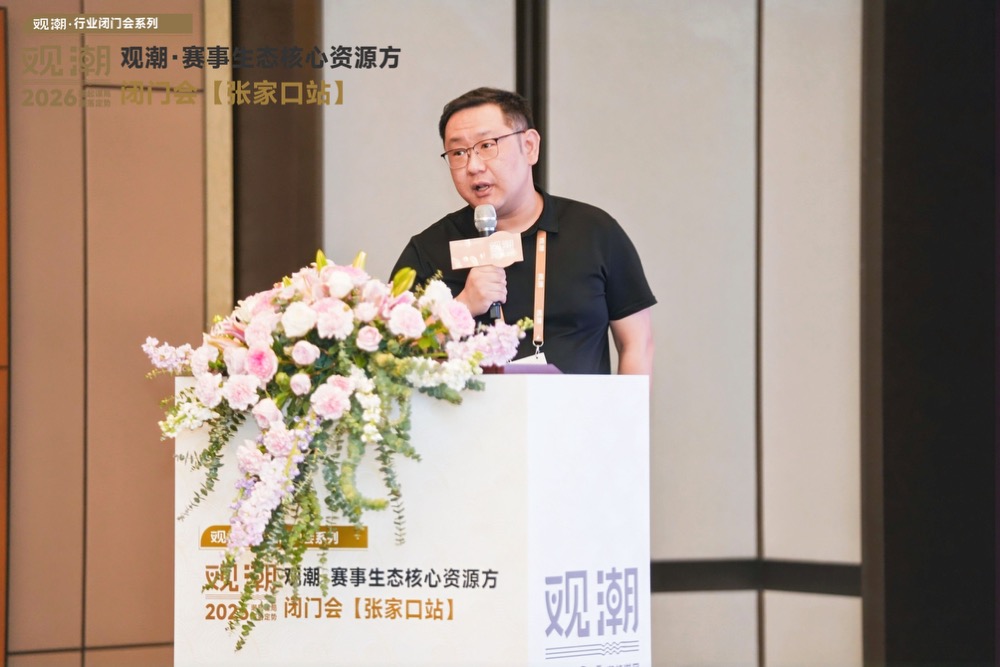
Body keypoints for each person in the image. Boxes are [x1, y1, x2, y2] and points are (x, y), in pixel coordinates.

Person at [392, 87, 655, 375]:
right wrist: (463, 306)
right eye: (458, 153)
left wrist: (628, 406)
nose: (473, 166)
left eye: (487, 145)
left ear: (529, 146)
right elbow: (395, 355)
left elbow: (637, 344)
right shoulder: (429, 250)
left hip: (579, 406)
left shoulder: (594, 231)